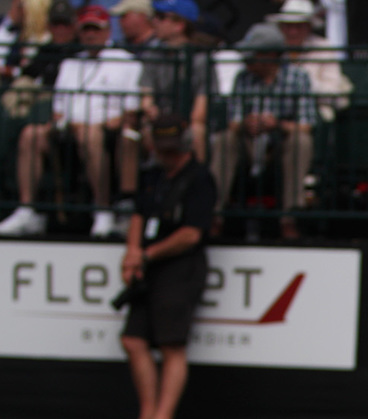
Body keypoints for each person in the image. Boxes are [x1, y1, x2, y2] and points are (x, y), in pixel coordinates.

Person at [0, 5, 141, 239]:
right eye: (85, 30)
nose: (90, 35)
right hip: (68, 127)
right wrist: (63, 123)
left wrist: (102, 123)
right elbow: (59, 110)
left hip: (104, 128)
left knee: (89, 135)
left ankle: (102, 210)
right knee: (31, 134)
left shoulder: (127, 62)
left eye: (95, 29)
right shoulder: (70, 64)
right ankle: (27, 210)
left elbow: (131, 110)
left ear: (106, 31)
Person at [118, 113, 216, 419]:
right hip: (148, 265)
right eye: (162, 149)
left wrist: (146, 254)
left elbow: (191, 234)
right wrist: (133, 254)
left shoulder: (200, 178)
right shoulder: (153, 175)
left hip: (180, 266)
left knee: (172, 343)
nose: (166, 155)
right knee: (133, 339)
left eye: (171, 149)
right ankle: (144, 417)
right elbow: (138, 214)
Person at [211, 23, 316, 240]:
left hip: (280, 145)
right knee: (224, 138)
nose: (246, 61)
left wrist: (276, 124)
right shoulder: (243, 78)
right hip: (249, 144)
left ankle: (290, 217)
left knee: (301, 141)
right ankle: (214, 214)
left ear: (271, 55)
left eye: (253, 55)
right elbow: (234, 121)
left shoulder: (298, 77)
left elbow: (306, 124)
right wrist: (247, 123)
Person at [137, 0, 208, 161]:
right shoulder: (152, 53)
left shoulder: (200, 58)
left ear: (179, 25)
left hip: (187, 122)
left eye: (161, 17)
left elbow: (200, 112)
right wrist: (150, 110)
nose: (154, 21)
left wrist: (178, 125)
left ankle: (197, 181)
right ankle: (142, 185)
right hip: (160, 119)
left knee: (196, 130)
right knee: (135, 132)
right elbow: (146, 97)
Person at [272, 0, 351, 123]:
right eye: (288, 26)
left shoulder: (324, 48)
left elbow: (334, 92)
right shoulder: (273, 49)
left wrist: (302, 85)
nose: (293, 32)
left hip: (314, 114)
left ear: (309, 27)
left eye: (299, 26)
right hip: (276, 112)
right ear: (281, 27)